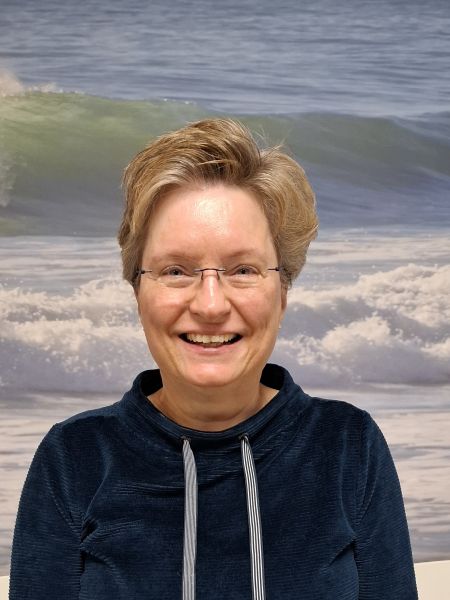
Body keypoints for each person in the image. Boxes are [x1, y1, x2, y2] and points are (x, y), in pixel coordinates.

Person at [9, 118, 418, 599]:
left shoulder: (348, 446)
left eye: (243, 270)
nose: (210, 304)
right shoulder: (75, 457)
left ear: (283, 291)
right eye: (175, 270)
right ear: (137, 290)